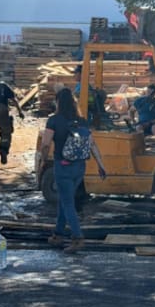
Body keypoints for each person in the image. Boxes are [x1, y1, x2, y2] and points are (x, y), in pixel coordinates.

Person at [35, 87, 107, 252]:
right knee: (64, 199)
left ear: (58, 102)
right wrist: (101, 165)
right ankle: (58, 234)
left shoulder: (53, 120)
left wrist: (43, 161)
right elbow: (92, 144)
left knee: (68, 203)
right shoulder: (81, 121)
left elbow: (46, 144)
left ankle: (77, 238)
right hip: (79, 167)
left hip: (63, 167)